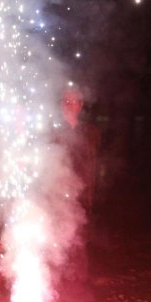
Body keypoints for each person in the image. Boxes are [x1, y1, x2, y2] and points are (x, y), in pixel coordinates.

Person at [52, 88, 101, 286]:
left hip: (81, 191)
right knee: (57, 234)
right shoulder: (53, 130)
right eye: (67, 101)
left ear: (81, 105)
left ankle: (78, 280)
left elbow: (93, 162)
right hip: (57, 191)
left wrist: (90, 192)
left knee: (79, 235)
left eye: (75, 102)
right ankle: (56, 279)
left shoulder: (90, 131)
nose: (71, 105)